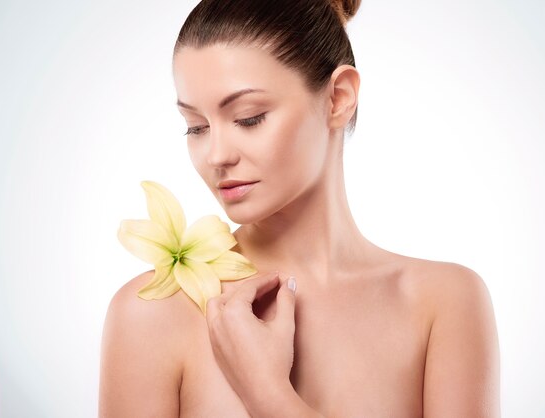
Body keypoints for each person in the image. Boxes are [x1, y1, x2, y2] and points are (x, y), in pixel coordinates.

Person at [99, 0, 501, 416]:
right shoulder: (153, 314)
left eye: (249, 118)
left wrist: (266, 392)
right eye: (196, 127)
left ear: (338, 98)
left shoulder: (444, 304)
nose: (216, 155)